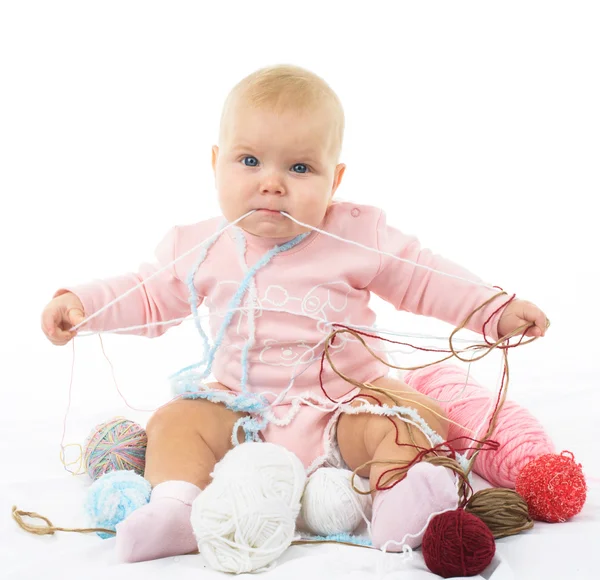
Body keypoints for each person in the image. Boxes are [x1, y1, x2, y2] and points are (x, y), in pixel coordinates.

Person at [41, 64, 548, 563]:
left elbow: (424, 277)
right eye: (249, 161)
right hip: (241, 413)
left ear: (335, 179)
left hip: (347, 404)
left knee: (405, 415)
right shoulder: (201, 244)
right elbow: (148, 295)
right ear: (215, 162)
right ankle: (178, 508)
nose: (272, 183)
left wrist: (494, 311)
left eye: (300, 168)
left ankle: (402, 497)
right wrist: (86, 306)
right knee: (174, 422)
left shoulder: (356, 235)